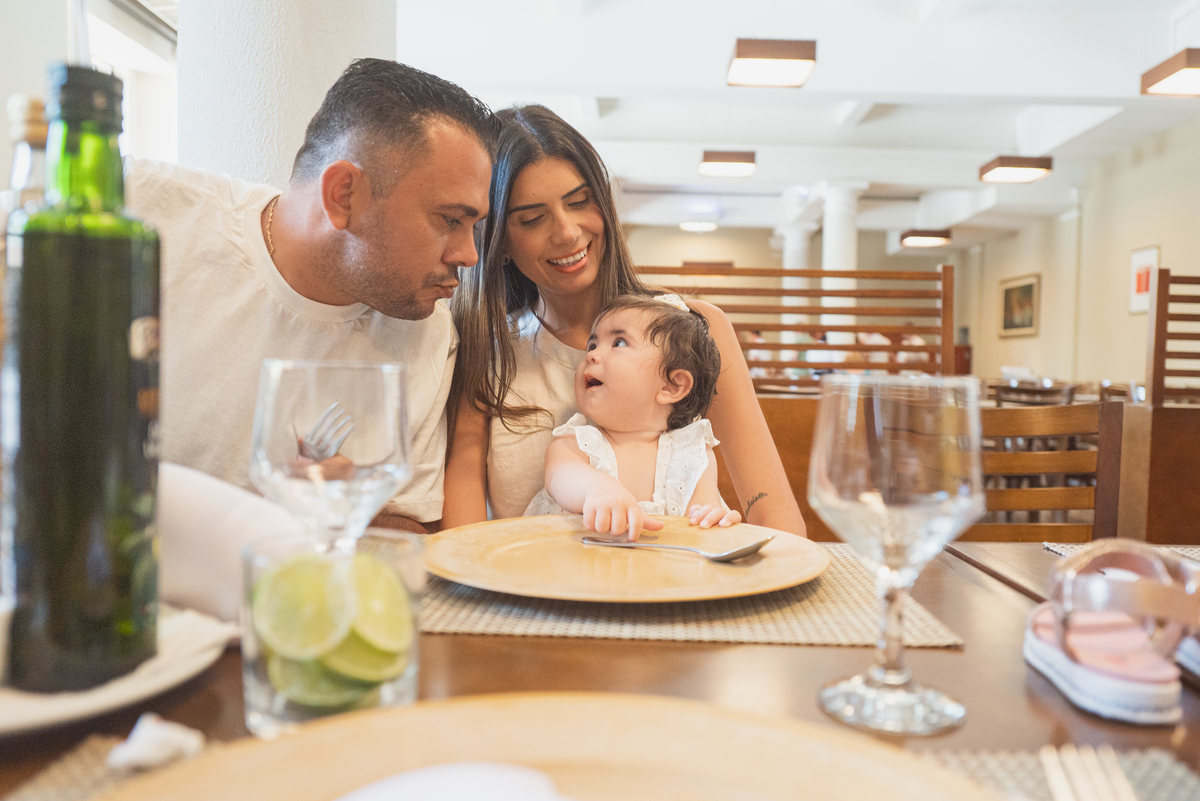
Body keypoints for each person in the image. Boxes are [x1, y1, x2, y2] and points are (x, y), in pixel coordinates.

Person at [126, 59, 498, 532]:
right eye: (450, 219)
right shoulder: (142, 214)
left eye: (474, 228)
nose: (469, 255)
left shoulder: (427, 331)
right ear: (344, 195)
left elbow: (411, 530)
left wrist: (348, 506)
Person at [444, 105, 804, 536]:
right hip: (539, 593)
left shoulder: (696, 328)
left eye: (579, 202)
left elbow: (773, 513)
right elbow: (461, 533)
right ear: (499, 241)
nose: (567, 233)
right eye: (533, 219)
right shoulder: (489, 349)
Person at [525, 294, 741, 538]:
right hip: (578, 565)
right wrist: (596, 488)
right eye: (593, 345)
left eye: (618, 343)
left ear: (671, 386)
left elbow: (700, 514)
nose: (590, 356)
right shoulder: (575, 443)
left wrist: (713, 518)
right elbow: (560, 478)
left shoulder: (691, 451)